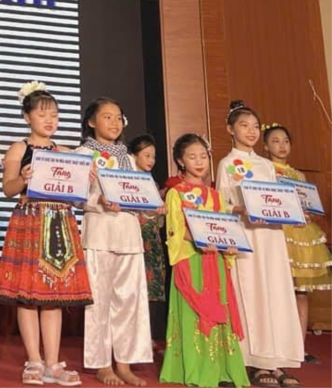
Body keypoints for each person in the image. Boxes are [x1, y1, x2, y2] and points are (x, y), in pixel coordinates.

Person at [0, 81, 90, 386]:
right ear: (27, 117)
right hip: (30, 221)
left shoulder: (65, 152)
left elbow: (77, 197)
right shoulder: (19, 148)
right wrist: (23, 179)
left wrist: (86, 179)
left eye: (54, 115)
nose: (49, 120)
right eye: (42, 114)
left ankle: (53, 363)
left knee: (53, 296)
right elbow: (7, 188)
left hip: (59, 223)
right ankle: (34, 360)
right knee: (28, 295)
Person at [217, 101, 303, 388]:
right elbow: (222, 204)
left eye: (255, 126)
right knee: (252, 293)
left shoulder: (267, 165)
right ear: (231, 129)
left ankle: (276, 360)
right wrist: (240, 209)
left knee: (276, 293)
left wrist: (292, 212)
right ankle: (253, 360)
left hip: (271, 237)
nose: (251, 131)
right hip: (247, 235)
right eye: (244, 126)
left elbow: (277, 200)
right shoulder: (227, 164)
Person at [75, 97, 154, 387]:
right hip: (99, 233)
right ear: (91, 122)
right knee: (99, 302)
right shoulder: (82, 154)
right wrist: (98, 200)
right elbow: (76, 196)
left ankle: (125, 363)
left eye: (118, 117)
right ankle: (102, 364)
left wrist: (152, 206)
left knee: (130, 302)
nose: (114, 122)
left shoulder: (130, 158)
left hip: (129, 235)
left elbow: (141, 195)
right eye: (107, 117)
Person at [159, 134, 248, 387]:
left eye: (203, 156)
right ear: (180, 161)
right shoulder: (176, 193)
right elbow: (175, 228)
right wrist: (198, 239)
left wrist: (229, 244)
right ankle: (196, 370)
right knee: (193, 314)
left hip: (214, 260)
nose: (199, 162)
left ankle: (221, 370)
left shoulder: (215, 196)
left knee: (218, 310)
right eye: (191, 157)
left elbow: (224, 227)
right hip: (190, 258)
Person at [263, 122, 332, 363]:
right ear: (265, 146)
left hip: (301, 237)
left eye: (285, 141)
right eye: (275, 141)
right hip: (278, 233)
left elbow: (308, 205)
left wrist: (308, 213)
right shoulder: (264, 171)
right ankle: (277, 345)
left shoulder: (299, 175)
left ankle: (299, 347)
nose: (281, 146)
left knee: (301, 292)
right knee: (278, 290)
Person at [127, 134, 167, 344]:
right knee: (134, 286)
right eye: (146, 155)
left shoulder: (152, 181)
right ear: (133, 156)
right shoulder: (127, 179)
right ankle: (133, 336)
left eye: (153, 156)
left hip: (151, 239)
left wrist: (160, 209)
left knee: (151, 288)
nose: (151, 160)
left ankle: (147, 336)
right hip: (135, 236)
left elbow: (155, 217)